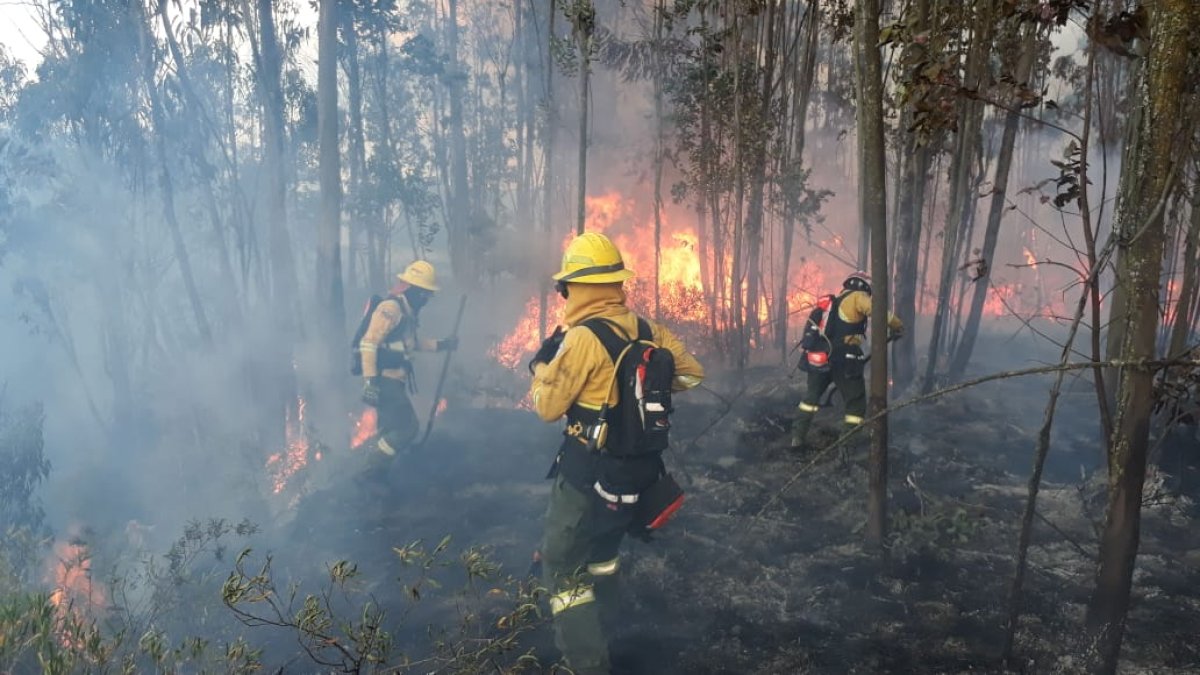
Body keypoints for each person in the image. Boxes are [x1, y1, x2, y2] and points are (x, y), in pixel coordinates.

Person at [528, 232, 704, 675]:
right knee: (603, 557)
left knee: (564, 575)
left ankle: (586, 663)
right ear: (614, 283)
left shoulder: (584, 338)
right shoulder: (647, 330)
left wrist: (542, 367)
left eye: (565, 287)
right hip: (635, 475)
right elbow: (693, 376)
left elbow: (547, 408)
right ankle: (607, 625)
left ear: (576, 287)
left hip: (586, 475)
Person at [790, 271, 903, 452]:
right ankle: (846, 447)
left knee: (809, 400)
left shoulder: (832, 304)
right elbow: (880, 312)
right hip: (844, 361)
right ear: (864, 286)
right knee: (855, 404)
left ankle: (797, 438)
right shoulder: (858, 297)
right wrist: (897, 326)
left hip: (820, 358)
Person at [357, 260, 458, 456]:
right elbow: (369, 343)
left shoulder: (406, 312)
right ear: (413, 289)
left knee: (389, 430)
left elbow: (412, 344)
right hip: (383, 380)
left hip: (394, 380)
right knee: (408, 428)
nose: (426, 299)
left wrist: (443, 344)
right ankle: (370, 467)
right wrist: (369, 381)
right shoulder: (391, 309)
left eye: (428, 294)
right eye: (424, 293)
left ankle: (377, 477)